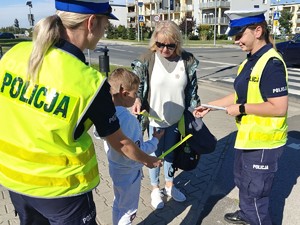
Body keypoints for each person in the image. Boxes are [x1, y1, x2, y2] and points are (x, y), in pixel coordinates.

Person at [0, 1, 162, 225]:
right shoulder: (89, 82)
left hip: (14, 182)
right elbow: (121, 143)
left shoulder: (13, 55)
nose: (103, 33)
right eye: (105, 26)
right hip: (62, 192)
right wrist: (149, 160)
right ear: (91, 23)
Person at [194, 9, 288, 225]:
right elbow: (239, 95)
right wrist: (211, 106)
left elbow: (279, 107)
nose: (236, 41)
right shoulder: (250, 61)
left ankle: (254, 218)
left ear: (258, 30)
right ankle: (246, 215)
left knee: (256, 195)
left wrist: (242, 109)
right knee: (243, 182)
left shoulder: (271, 63)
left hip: (264, 143)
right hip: (248, 138)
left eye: (239, 35)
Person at [131, 20, 200, 209]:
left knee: (171, 154)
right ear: (155, 42)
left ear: (177, 43)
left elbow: (192, 90)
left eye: (170, 45)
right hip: (155, 119)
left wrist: (196, 109)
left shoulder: (187, 60)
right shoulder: (147, 59)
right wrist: (137, 99)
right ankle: (155, 188)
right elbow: (136, 84)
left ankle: (169, 185)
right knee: (155, 154)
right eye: (160, 44)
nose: (165, 49)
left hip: (177, 119)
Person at [102, 68, 164, 225]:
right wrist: (155, 140)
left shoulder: (107, 114)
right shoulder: (129, 120)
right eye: (135, 93)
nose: (137, 96)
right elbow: (138, 149)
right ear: (124, 91)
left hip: (115, 167)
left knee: (119, 203)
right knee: (129, 211)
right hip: (129, 172)